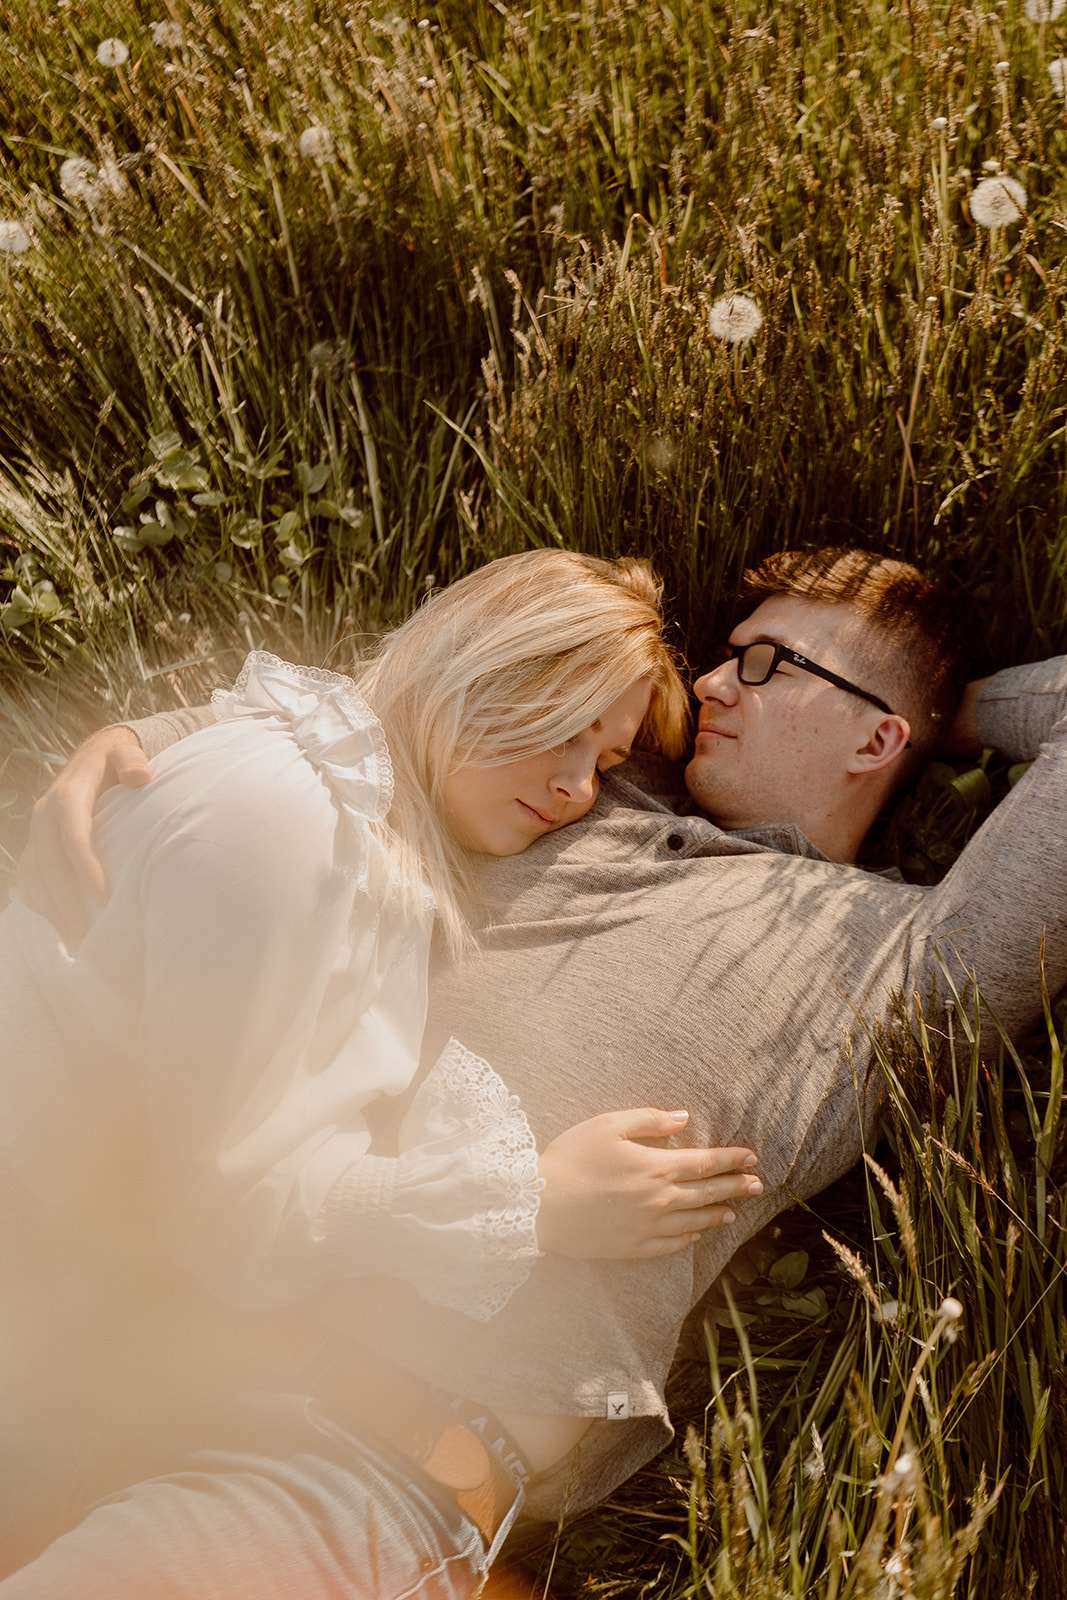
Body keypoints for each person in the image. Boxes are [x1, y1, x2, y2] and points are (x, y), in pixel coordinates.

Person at [15, 543, 1064, 1596]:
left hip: (343, 1465)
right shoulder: (575, 799)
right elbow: (403, 721)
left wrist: (951, 715)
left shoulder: (901, 966)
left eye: (764, 663)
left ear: (873, 732)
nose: (708, 681)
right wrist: (150, 742)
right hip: (123, 1340)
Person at [0, 548, 762, 1597]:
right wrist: (530, 1201)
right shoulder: (289, 830)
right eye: (561, 725)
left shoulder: (336, 805)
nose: (576, 786)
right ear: (479, 668)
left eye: (605, 756)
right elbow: (230, 1225)